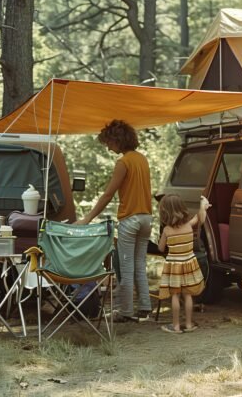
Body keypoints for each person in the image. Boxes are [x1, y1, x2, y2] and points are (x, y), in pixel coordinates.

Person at [75, 119, 153, 322]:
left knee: (125, 267)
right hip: (147, 218)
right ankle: (145, 306)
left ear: (117, 140)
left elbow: (108, 194)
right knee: (139, 264)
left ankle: (125, 311)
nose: (108, 148)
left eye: (109, 143)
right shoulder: (142, 159)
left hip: (130, 219)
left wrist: (87, 218)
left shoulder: (123, 162)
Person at [158, 194, 210, 333]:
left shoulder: (167, 230)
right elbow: (200, 216)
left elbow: (161, 248)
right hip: (188, 264)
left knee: (175, 295)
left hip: (174, 266)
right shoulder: (189, 225)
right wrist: (202, 204)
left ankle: (175, 326)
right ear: (182, 209)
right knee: (188, 295)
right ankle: (188, 324)